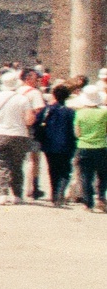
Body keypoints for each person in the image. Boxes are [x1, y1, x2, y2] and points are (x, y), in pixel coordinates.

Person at [0, 69, 36, 204]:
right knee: (17, 165)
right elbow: (29, 120)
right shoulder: (23, 99)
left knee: (0, 164)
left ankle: (2, 194)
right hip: (19, 134)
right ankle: (17, 194)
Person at [36, 76, 82, 212]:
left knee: (52, 170)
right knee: (65, 170)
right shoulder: (70, 112)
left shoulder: (46, 110)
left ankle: (54, 194)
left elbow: (37, 123)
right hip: (66, 145)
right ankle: (60, 193)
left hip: (49, 144)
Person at [73, 76, 107, 213]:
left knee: (86, 176)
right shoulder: (104, 112)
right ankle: (101, 198)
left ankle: (88, 203)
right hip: (101, 146)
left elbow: (77, 133)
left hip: (83, 146)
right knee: (103, 175)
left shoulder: (80, 113)